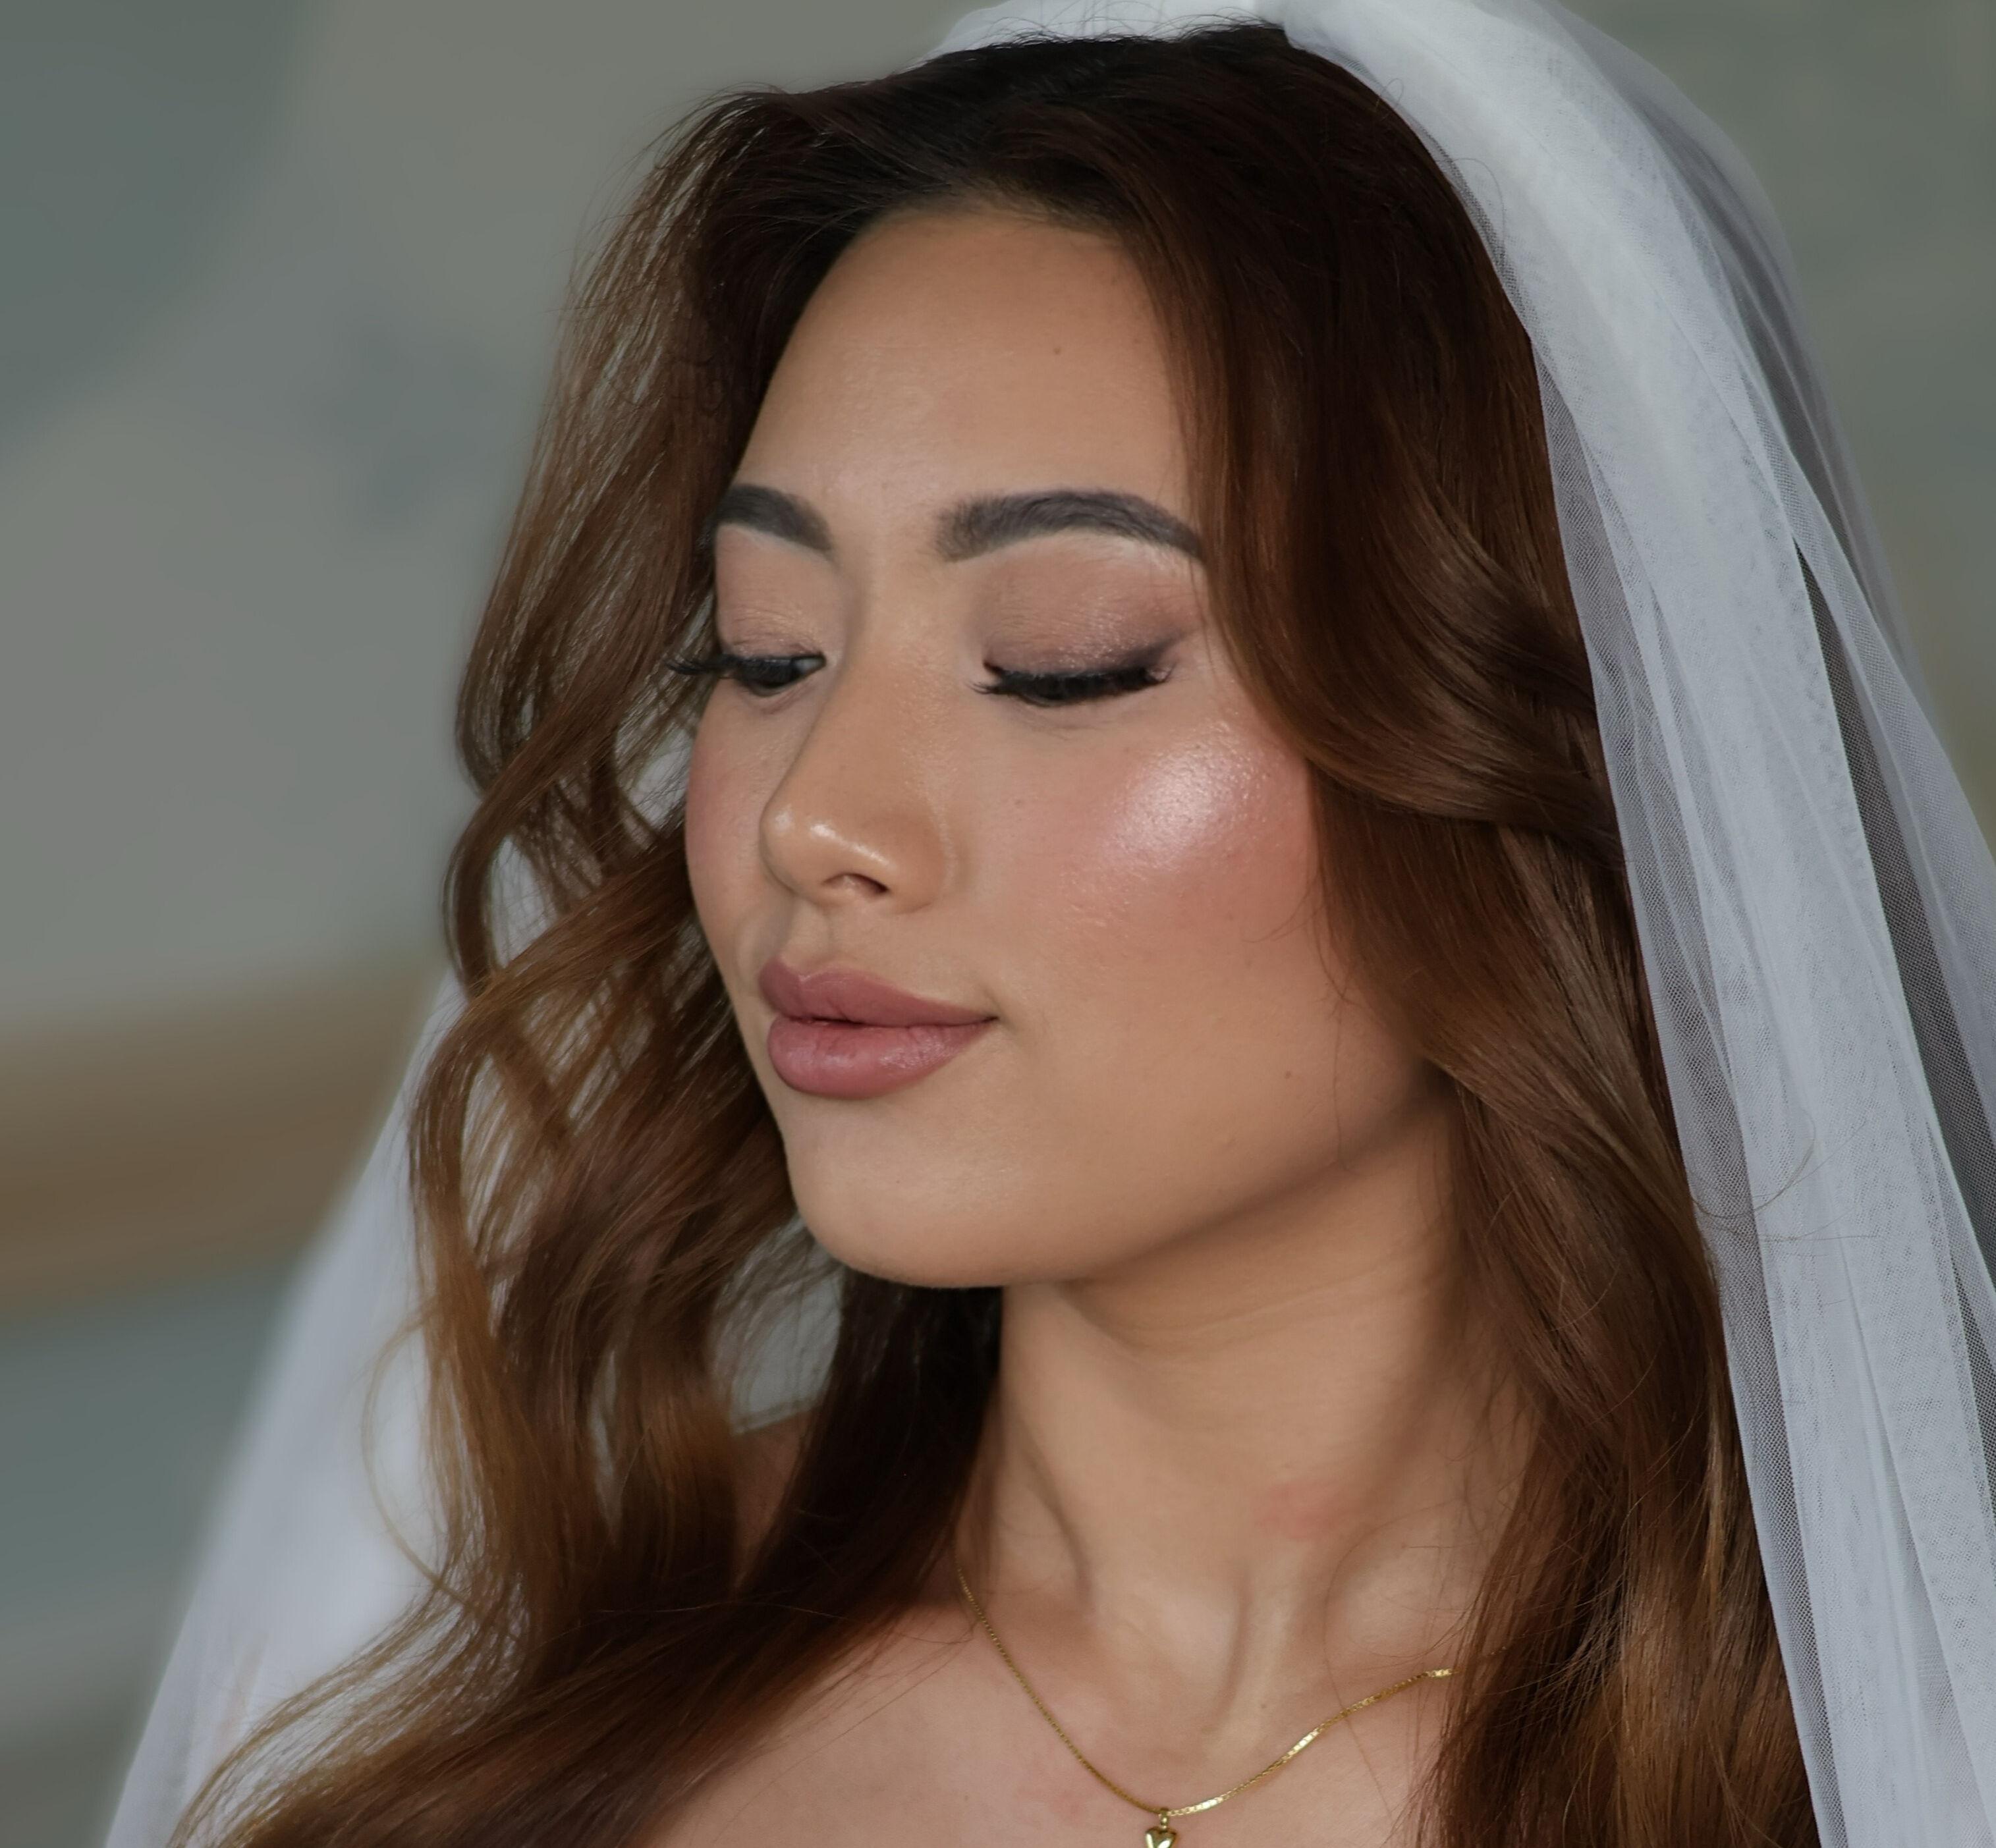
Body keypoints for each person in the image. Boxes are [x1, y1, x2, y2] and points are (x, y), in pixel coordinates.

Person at [106, 3, 1996, 1845]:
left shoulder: (1904, 1740)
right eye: (766, 651)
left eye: (1062, 661)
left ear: (1566, 733)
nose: (814, 820)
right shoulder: (516, 1716)